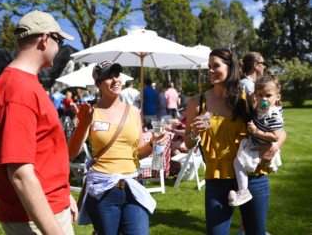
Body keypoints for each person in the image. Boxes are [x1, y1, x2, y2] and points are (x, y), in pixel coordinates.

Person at [0, 10, 77, 235]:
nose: (60, 47)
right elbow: (21, 174)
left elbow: (44, 152)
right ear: (45, 39)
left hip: (46, 207)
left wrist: (64, 194)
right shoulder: (18, 90)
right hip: (33, 217)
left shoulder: (26, 84)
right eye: (59, 40)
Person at [184, 47, 286, 234]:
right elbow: (188, 143)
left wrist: (274, 146)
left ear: (230, 67)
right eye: (209, 67)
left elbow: (280, 131)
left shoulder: (248, 99)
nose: (211, 71)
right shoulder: (197, 102)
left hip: (253, 176)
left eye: (216, 66)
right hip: (217, 179)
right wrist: (194, 134)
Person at [70, 60, 166, 234]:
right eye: (108, 77)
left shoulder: (134, 111)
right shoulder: (91, 112)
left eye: (117, 75)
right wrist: (83, 125)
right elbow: (71, 152)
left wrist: (152, 144)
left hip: (133, 187)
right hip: (103, 191)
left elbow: (139, 153)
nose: (115, 80)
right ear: (98, 84)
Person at [230, 75, 284, 207]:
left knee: (238, 162)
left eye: (268, 95)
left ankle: (243, 190)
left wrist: (256, 132)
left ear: (277, 97)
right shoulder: (263, 109)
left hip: (260, 146)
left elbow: (276, 136)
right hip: (255, 142)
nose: (263, 99)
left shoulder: (273, 114)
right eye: (260, 95)